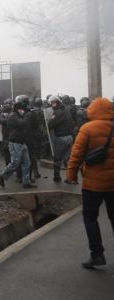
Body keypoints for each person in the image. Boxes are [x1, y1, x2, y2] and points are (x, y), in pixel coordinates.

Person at [65, 98, 114, 269]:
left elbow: (76, 154)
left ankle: (97, 255)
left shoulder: (87, 128)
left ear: (91, 111)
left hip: (92, 185)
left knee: (90, 218)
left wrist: (71, 174)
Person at [0, 100, 37, 189]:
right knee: (15, 162)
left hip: (22, 142)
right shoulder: (12, 116)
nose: (24, 111)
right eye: (23, 109)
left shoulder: (18, 115)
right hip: (15, 142)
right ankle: (2, 176)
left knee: (27, 163)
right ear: (18, 109)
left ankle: (26, 182)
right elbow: (22, 124)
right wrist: (27, 116)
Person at [48, 95, 75, 182]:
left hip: (61, 138)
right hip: (70, 137)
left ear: (55, 103)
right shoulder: (66, 110)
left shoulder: (57, 112)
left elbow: (50, 125)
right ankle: (70, 177)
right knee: (68, 158)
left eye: (52, 103)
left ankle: (57, 177)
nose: (51, 105)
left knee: (58, 158)